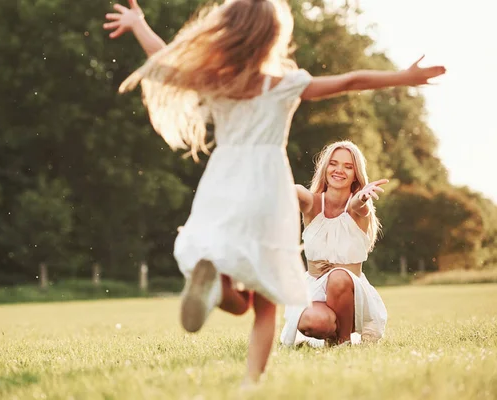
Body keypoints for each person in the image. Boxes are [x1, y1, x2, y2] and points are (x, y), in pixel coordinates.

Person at [104, 0, 445, 385]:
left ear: (227, 30)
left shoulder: (218, 79)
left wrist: (139, 24)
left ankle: (219, 288)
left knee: (225, 266)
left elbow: (165, 59)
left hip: (223, 182)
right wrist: (402, 77)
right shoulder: (285, 83)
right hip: (269, 186)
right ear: (274, 36)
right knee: (266, 303)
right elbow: (349, 82)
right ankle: (251, 383)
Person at [280, 140, 388, 348]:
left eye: (348, 167)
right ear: (325, 168)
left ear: (356, 175)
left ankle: (344, 340)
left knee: (338, 276)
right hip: (315, 288)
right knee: (313, 322)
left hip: (351, 291)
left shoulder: (359, 208)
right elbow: (298, 191)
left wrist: (361, 199)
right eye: (334, 164)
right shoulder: (312, 203)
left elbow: (357, 206)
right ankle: (331, 338)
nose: (339, 170)